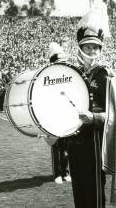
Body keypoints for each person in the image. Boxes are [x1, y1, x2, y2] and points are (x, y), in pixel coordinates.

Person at [66, 6, 116, 208]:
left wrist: (94, 118)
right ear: (80, 47)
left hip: (94, 140)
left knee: (94, 192)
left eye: (96, 47)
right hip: (73, 138)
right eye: (88, 47)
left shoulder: (106, 75)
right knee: (78, 190)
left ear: (100, 49)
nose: (92, 51)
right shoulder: (72, 74)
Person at [48, 42, 71, 184]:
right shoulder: (48, 78)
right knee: (56, 146)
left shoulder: (69, 77)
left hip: (66, 114)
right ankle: (57, 173)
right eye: (59, 63)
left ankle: (66, 171)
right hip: (54, 115)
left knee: (67, 145)